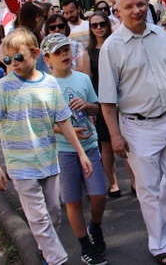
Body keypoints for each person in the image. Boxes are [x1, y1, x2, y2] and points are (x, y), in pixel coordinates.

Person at [99, 0, 166, 265]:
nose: (137, 10)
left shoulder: (161, 37)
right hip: (137, 127)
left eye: (141, 4)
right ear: (117, 11)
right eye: (129, 6)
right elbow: (107, 101)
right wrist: (115, 136)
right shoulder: (112, 48)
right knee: (148, 188)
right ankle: (160, 245)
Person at [0, 28, 93, 265]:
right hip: (20, 164)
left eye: (19, 57)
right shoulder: (3, 87)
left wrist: (81, 153)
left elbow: (62, 121)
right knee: (38, 217)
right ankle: (57, 259)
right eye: (8, 59)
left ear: (34, 53)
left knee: (53, 213)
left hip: (48, 159)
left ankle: (45, 252)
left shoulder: (50, 84)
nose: (14, 63)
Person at [41, 33, 108, 265]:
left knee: (99, 194)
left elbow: (97, 109)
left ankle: (95, 227)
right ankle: (84, 245)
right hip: (64, 151)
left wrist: (88, 105)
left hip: (89, 145)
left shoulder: (82, 79)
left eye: (66, 50)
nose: (64, 56)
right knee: (73, 200)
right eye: (58, 52)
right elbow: (44, 124)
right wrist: (67, 131)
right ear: (47, 57)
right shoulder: (45, 84)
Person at [86, 10, 122, 198]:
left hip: (122, 100)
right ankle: (113, 183)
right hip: (102, 103)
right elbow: (87, 81)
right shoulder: (88, 52)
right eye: (94, 25)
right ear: (90, 29)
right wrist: (91, 106)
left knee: (129, 143)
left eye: (102, 24)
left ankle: (135, 182)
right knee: (107, 146)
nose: (99, 28)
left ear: (108, 25)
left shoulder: (117, 46)